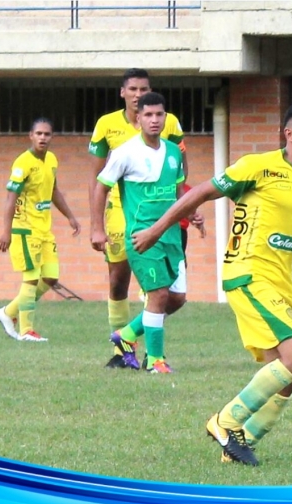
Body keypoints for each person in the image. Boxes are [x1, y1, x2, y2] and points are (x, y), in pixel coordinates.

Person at [131, 102, 292, 465]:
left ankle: (241, 446)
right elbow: (199, 194)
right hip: (248, 272)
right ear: (290, 135)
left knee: (286, 374)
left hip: (280, 284)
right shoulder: (258, 166)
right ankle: (225, 423)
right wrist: (156, 229)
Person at [90, 92, 204, 374]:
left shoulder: (174, 152)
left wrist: (191, 212)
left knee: (177, 299)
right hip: (142, 237)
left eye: (159, 115)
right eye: (148, 115)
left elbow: (178, 190)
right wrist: (97, 229)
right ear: (138, 118)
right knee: (158, 295)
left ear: (165, 118)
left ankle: (126, 334)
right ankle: (155, 361)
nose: (154, 120)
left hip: (172, 236)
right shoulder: (125, 152)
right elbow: (100, 187)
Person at [0, 118, 81, 342]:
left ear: (52, 137)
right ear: (30, 136)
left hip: (44, 230)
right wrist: (7, 232)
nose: (43, 138)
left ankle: (8, 313)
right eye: (39, 134)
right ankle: (26, 331)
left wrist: (70, 216)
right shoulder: (23, 163)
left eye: (47, 134)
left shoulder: (51, 160)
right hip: (24, 230)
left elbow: (54, 191)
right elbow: (10, 199)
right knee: (31, 279)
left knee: (51, 277)